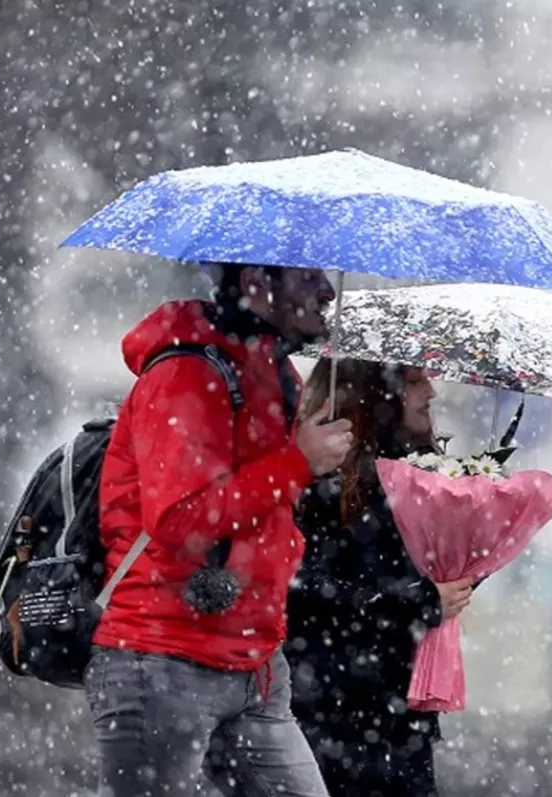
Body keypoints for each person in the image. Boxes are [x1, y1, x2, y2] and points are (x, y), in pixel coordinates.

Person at [87, 264, 354, 797]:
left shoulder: (274, 375)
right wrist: (297, 463)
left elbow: (264, 509)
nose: (327, 291)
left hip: (253, 664)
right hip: (162, 659)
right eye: (307, 278)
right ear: (258, 279)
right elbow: (181, 521)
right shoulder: (186, 374)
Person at [286, 356, 476, 797]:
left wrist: (461, 570)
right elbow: (299, 589)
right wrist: (420, 601)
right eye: (415, 381)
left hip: (396, 712)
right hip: (326, 711)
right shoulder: (316, 479)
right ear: (377, 394)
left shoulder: (420, 474)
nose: (430, 393)